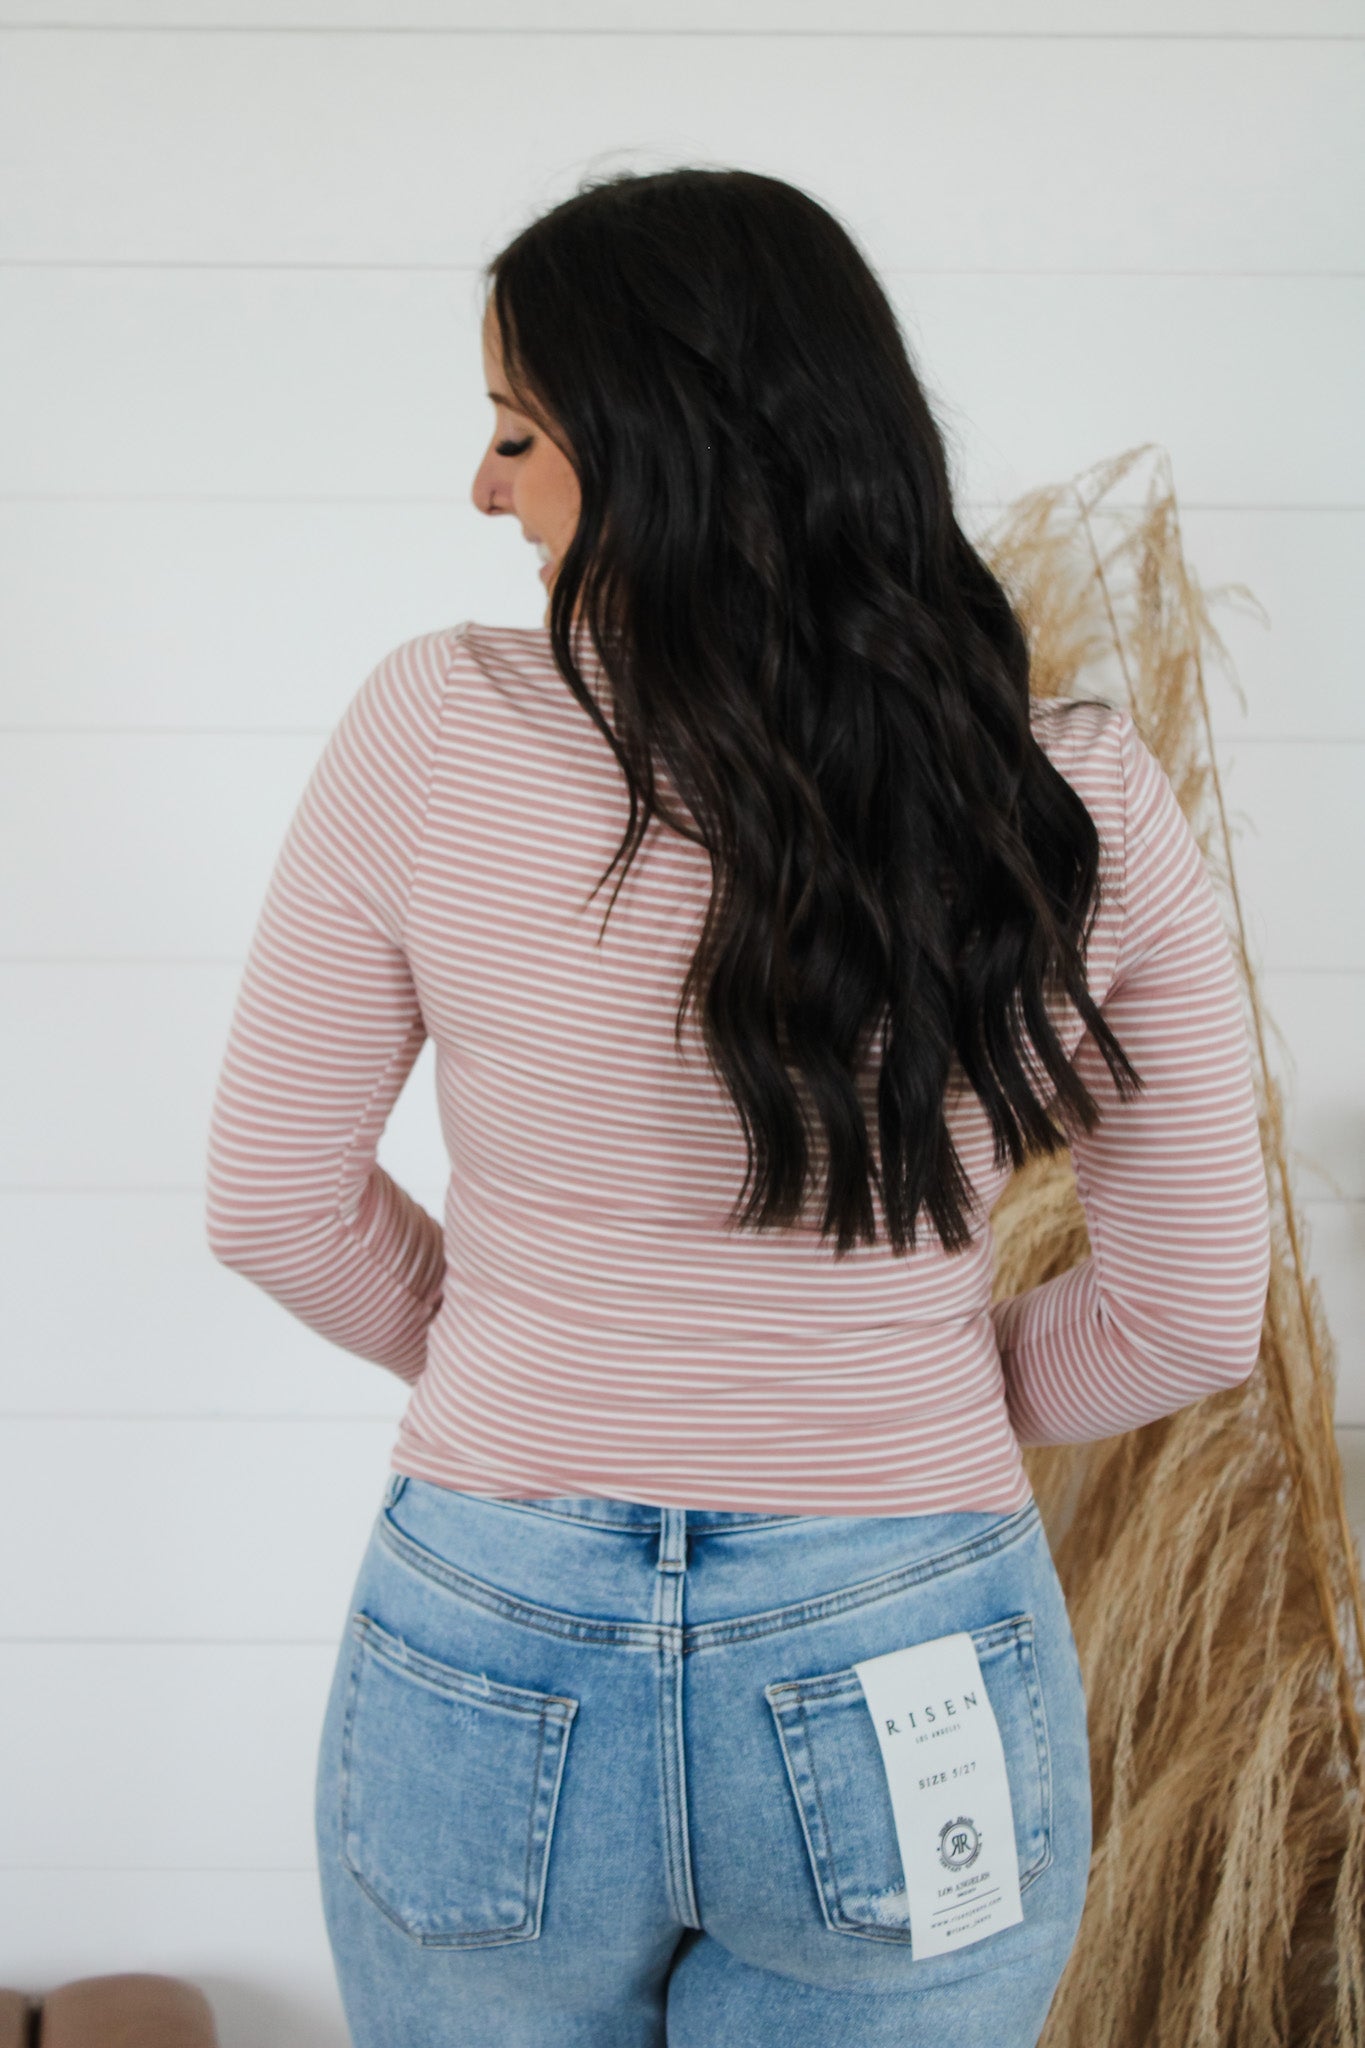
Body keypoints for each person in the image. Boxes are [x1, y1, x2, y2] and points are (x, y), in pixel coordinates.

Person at [204, 167, 1272, 2046]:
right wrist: (893, 1399)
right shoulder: (1071, 800)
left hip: (495, 1626)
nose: (483, 492)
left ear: (658, 451)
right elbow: (1186, 1317)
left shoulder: (431, 729)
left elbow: (275, 1203)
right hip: (905, 1630)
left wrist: (544, 1367)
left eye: (517, 436)